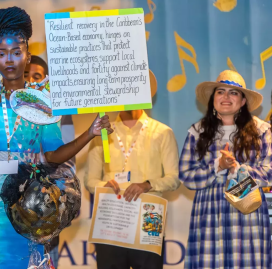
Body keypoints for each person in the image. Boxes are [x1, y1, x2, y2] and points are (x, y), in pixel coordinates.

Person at [0, 6, 113, 268]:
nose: (9, 60)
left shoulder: (42, 103)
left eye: (16, 52)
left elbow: (54, 155)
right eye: (2, 54)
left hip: (31, 201)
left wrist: (90, 133)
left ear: (28, 56)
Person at [179, 70, 272, 269]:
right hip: (209, 213)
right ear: (213, 98)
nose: (226, 97)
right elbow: (185, 175)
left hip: (248, 213)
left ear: (244, 101)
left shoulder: (261, 130)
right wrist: (217, 166)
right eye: (220, 91)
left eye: (234, 92)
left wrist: (239, 169)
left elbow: (270, 171)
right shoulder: (198, 131)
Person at [85, 108, 181, 269]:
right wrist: (104, 186)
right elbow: (90, 180)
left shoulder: (163, 132)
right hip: (112, 220)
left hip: (148, 219)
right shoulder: (102, 133)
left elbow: (175, 178)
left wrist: (148, 184)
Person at [24, 55, 76, 268]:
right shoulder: (8, 110)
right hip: (10, 207)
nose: (32, 81)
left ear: (47, 80)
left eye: (37, 76)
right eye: (27, 75)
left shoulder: (60, 115)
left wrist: (55, 199)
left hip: (45, 209)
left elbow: (68, 164)